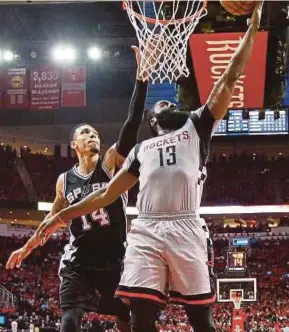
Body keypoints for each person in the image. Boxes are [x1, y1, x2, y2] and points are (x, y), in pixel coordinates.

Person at [34, 3, 263, 332]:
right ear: (153, 121)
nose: (171, 104)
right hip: (147, 230)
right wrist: (60, 216)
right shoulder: (141, 149)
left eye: (174, 103)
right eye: (164, 103)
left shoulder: (197, 126)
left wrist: (252, 29)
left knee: (201, 319)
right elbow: (106, 195)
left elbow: (228, 78)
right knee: (140, 315)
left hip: (185, 227)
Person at [6, 45, 151, 332]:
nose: (92, 136)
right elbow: (51, 221)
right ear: (74, 144)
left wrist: (141, 78)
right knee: (70, 318)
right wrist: (27, 246)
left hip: (115, 259)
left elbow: (131, 124)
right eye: (86, 133)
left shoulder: (110, 163)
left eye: (95, 133)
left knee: (128, 322)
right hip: (79, 261)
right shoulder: (64, 180)